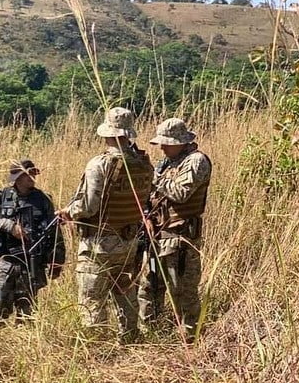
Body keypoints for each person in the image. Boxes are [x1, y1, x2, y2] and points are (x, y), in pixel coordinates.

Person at [58, 107, 153, 343]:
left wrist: (68, 212)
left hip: (99, 244)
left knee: (91, 300)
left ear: (107, 132)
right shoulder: (143, 163)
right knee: (126, 293)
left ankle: (96, 348)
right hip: (129, 242)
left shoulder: (99, 164)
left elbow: (89, 206)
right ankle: (130, 340)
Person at [137, 118, 212, 342]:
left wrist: (153, 177)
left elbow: (180, 193)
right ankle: (150, 334)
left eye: (166, 143)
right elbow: (152, 197)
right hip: (158, 236)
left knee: (182, 291)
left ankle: (190, 338)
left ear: (180, 141)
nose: (161, 147)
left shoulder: (196, 161)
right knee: (149, 287)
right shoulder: (167, 163)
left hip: (180, 238)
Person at [0, 159, 65, 322]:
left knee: (27, 314)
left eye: (33, 174)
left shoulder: (43, 199)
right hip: (6, 261)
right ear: (17, 178)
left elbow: (55, 231)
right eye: (27, 174)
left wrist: (57, 261)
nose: (32, 177)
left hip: (32, 262)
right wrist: (10, 226)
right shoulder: (2, 197)